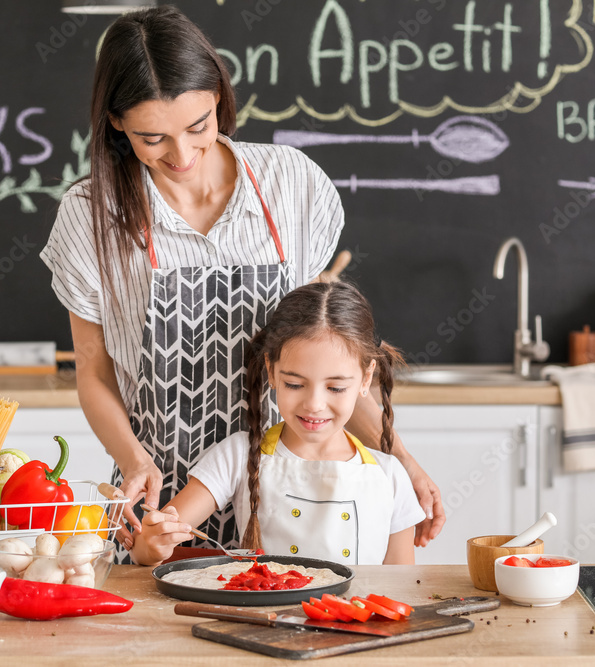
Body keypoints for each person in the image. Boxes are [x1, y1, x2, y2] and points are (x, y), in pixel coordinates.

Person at [40, 6, 443, 559]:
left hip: (290, 500)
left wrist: (405, 461)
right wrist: (134, 461)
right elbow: (92, 369)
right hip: (167, 509)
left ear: (220, 100)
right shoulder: (91, 214)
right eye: (151, 137)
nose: (180, 156)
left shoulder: (292, 186)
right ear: (115, 122)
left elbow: (330, 356)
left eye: (198, 127)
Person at [131, 282, 425, 566]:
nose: (314, 404)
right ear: (271, 371)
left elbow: (399, 589)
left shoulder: (391, 476)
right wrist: (155, 542)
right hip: (261, 617)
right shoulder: (237, 455)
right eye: (295, 384)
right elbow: (145, 548)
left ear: (365, 378)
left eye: (335, 388)